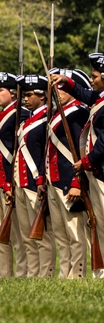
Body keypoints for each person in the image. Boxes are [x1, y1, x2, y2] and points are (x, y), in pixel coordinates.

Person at [53, 55, 104, 279]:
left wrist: (85, 162)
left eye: (95, 76)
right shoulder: (102, 99)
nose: (91, 79)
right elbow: (84, 94)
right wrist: (65, 82)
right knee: (102, 225)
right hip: (97, 172)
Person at [44, 68, 91, 278]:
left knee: (75, 234)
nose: (57, 91)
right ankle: (65, 273)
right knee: (61, 235)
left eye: (61, 86)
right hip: (54, 180)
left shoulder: (79, 112)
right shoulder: (56, 113)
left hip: (68, 181)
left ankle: (77, 274)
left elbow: (80, 150)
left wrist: (77, 182)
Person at [13, 74, 55, 277]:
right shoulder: (26, 120)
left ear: (42, 96)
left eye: (29, 95)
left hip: (34, 183)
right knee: (26, 234)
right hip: (21, 183)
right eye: (25, 95)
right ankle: (31, 273)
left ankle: (45, 274)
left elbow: (45, 154)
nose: (25, 99)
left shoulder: (48, 119)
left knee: (42, 235)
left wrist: (41, 180)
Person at [0, 72, 28, 277]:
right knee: (3, 234)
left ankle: (23, 272)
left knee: (18, 234)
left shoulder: (21, 114)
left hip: (11, 179)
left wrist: (10, 181)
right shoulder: (3, 115)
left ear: (12, 93)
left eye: (0, 90)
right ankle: (4, 273)